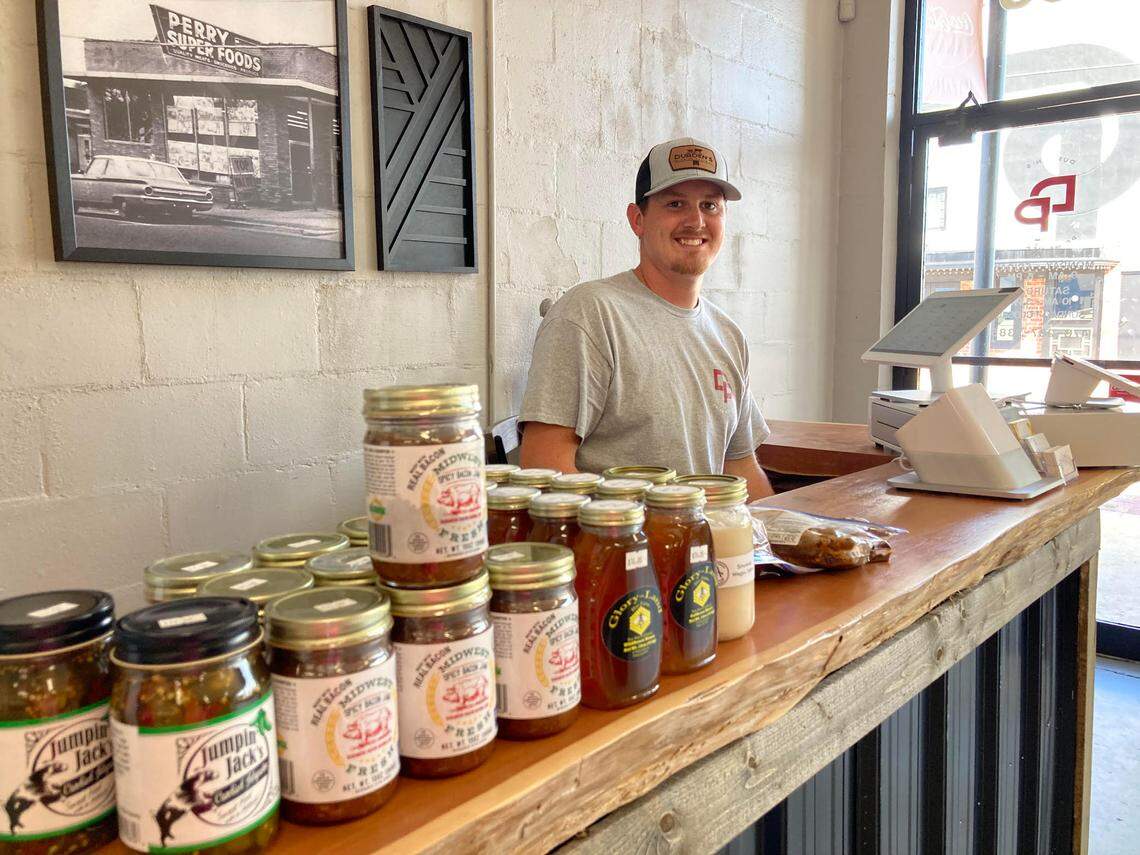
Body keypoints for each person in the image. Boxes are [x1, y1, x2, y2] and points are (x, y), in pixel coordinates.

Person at [518, 137, 774, 500]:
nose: (696, 220)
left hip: (707, 550)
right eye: (675, 204)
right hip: (620, 551)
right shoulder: (590, 314)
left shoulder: (728, 335)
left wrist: (784, 536)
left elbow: (740, 468)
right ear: (637, 220)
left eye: (710, 206)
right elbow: (544, 466)